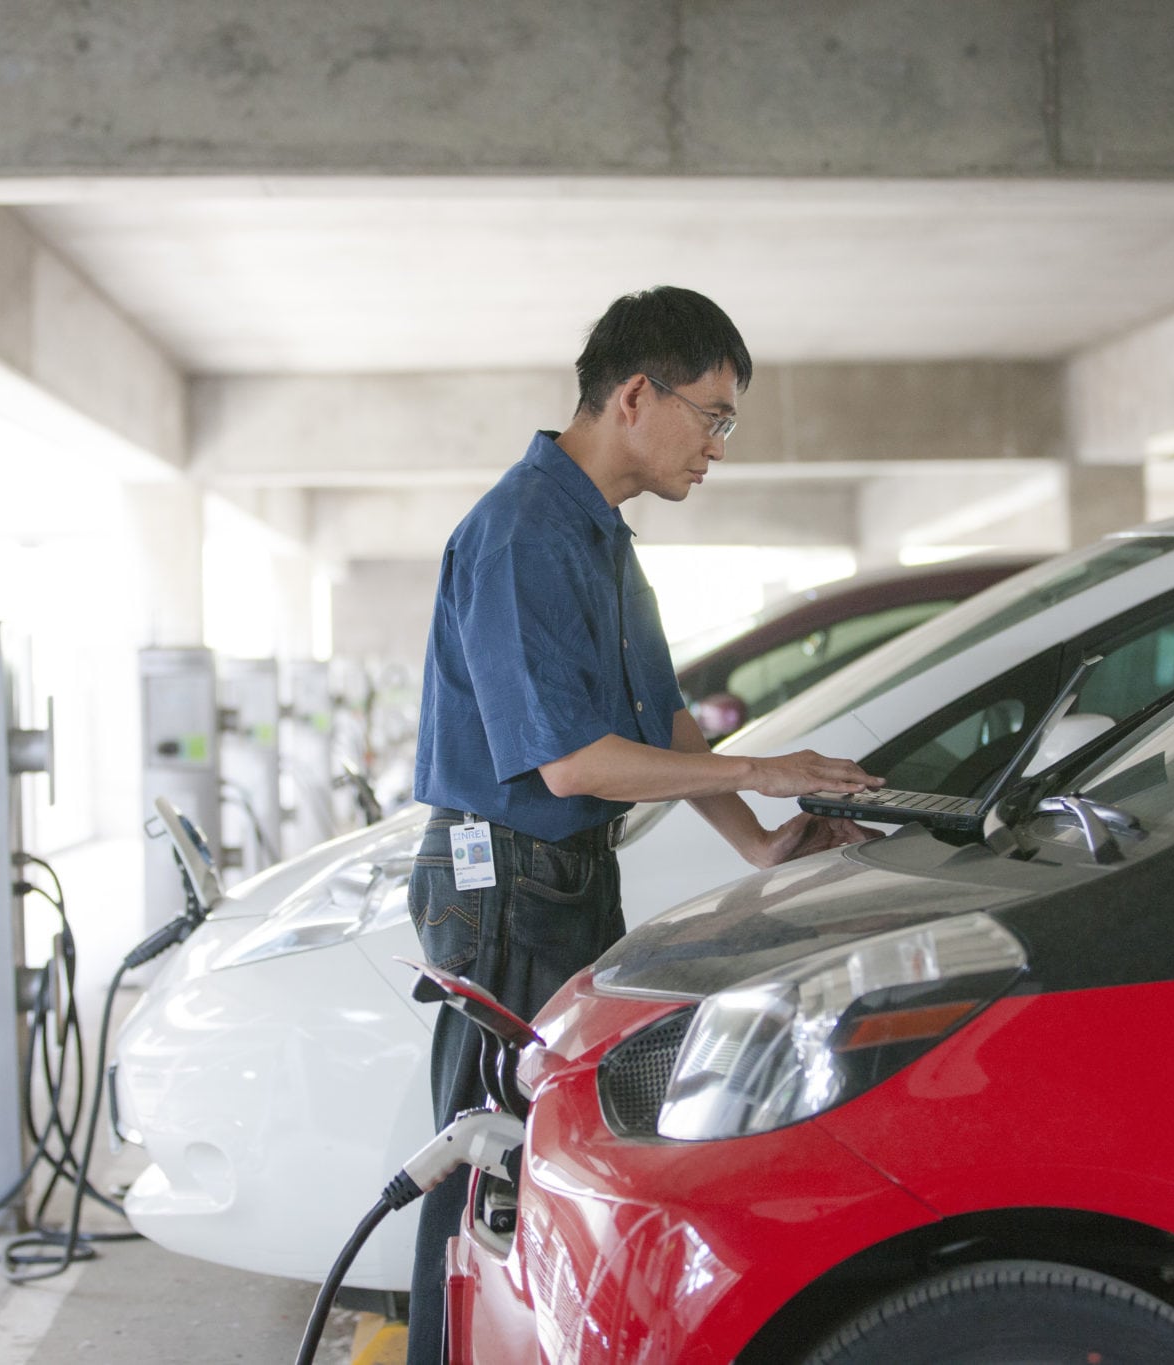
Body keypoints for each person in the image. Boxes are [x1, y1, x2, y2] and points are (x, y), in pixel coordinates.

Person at [403, 285, 880, 1363]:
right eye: (711, 415)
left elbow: (657, 721)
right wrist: (765, 764)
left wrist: (758, 837)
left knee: (541, 1161)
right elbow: (574, 762)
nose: (717, 448)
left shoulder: (600, 539)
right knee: (486, 1163)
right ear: (632, 395)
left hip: (558, 878)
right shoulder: (523, 532)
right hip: (504, 891)